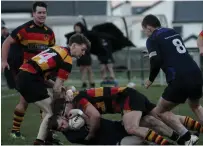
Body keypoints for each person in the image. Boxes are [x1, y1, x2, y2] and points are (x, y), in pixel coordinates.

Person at [15, 33, 90, 144]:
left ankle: (48, 138)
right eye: (82, 49)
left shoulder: (57, 48)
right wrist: (60, 101)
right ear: (74, 45)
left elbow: (45, 79)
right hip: (30, 79)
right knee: (51, 112)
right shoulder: (67, 60)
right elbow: (56, 88)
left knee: (49, 110)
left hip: (24, 75)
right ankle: (39, 142)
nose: (83, 53)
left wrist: (63, 89)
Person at [142, 14, 202, 145]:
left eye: (144, 31)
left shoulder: (152, 38)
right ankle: (190, 135)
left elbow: (156, 60)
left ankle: (188, 138)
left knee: (160, 112)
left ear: (149, 28)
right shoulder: (172, 31)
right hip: (195, 73)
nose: (145, 34)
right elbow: (174, 51)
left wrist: (150, 79)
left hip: (179, 78)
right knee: (196, 106)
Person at [1, 2, 56, 139]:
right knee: (24, 102)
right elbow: (6, 42)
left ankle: (46, 134)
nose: (42, 15)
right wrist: (3, 60)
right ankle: (15, 131)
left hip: (44, 74)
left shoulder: (49, 33)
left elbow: (52, 52)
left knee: (47, 105)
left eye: (44, 12)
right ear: (33, 14)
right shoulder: (24, 29)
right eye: (39, 12)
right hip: (28, 74)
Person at [73, 22, 95, 88]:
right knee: (82, 69)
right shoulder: (74, 36)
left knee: (88, 68)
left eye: (78, 27)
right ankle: (87, 82)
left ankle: (88, 82)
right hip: (79, 54)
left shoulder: (85, 35)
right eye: (75, 28)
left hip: (86, 54)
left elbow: (88, 44)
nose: (76, 29)